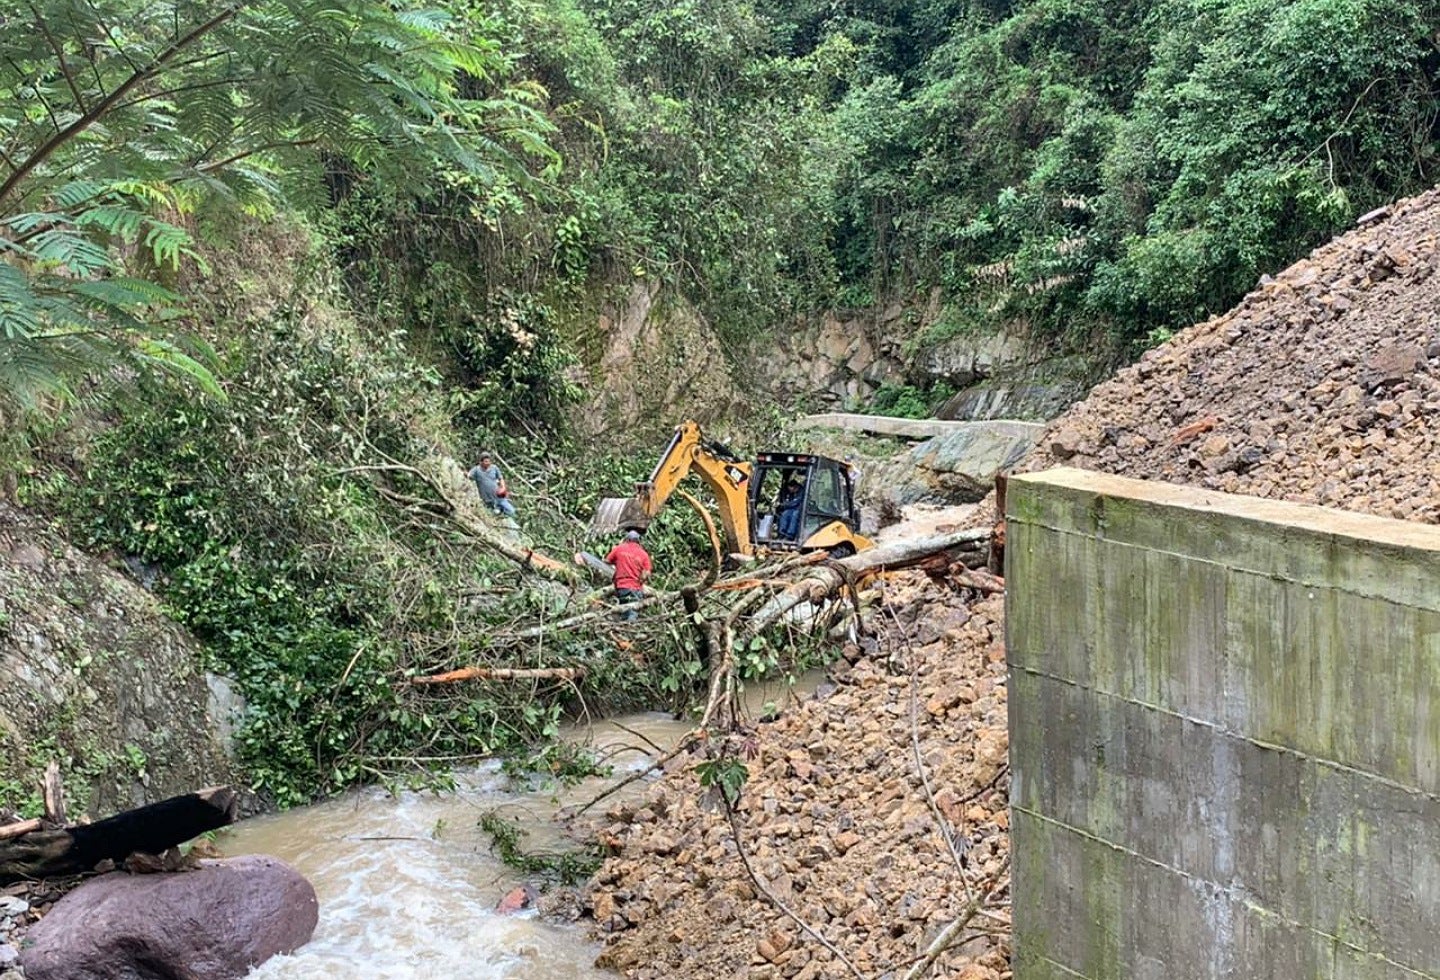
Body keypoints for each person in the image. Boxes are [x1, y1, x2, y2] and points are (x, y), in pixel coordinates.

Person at [605, 529, 652, 620]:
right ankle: (629, 630)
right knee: (632, 613)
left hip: (621, 587)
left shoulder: (619, 548)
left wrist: (618, 564)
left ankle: (622, 629)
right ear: (638, 541)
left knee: (623, 611)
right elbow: (646, 573)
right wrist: (641, 581)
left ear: (627, 539)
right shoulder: (644, 554)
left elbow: (607, 561)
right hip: (635, 588)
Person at [468, 452, 516, 518]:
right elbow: (469, 475)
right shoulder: (476, 470)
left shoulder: (494, 468)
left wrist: (503, 487)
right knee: (492, 515)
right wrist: (466, 474)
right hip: (487, 500)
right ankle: (499, 517)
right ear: (481, 462)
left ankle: (502, 514)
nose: (488, 463)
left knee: (511, 511)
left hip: (498, 496)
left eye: (489, 461)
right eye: (486, 461)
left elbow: (500, 478)